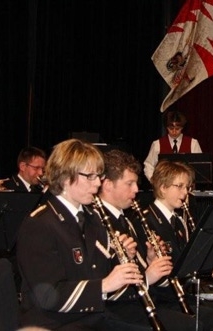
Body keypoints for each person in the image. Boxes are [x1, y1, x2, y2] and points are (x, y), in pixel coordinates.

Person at [16, 138, 150, 330]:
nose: (97, 183)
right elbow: (48, 295)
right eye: (90, 176)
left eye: (99, 175)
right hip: (55, 323)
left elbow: (98, 275)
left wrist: (120, 260)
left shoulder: (93, 219)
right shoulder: (40, 224)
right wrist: (104, 285)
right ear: (66, 177)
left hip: (92, 320)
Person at [98, 149, 202, 331]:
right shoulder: (98, 221)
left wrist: (149, 260)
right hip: (119, 307)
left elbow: (135, 268)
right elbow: (104, 279)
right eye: (129, 183)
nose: (136, 190)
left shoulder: (124, 220)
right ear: (107, 185)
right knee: (193, 325)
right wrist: (147, 276)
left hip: (138, 301)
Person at [141, 160, 213, 330]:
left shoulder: (179, 222)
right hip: (161, 298)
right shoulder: (146, 221)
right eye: (179, 186)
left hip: (179, 295)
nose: (185, 192)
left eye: (187, 187)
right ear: (163, 187)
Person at [143, 111, 202, 182]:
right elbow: (149, 165)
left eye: (177, 129)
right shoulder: (157, 144)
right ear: (166, 127)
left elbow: (199, 166)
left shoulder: (193, 143)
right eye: (171, 128)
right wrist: (154, 181)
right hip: (165, 185)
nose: (174, 131)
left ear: (182, 127)